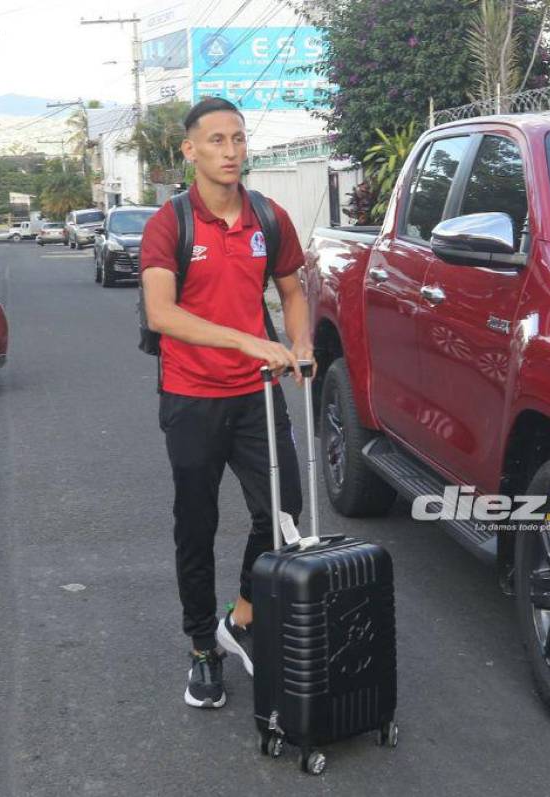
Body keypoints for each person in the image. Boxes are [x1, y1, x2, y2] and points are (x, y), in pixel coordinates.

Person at [139, 96, 312, 709]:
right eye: (216, 140)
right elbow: (161, 314)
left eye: (238, 139)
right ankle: (200, 650)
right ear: (190, 151)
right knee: (198, 522)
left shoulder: (269, 216)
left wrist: (302, 342)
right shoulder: (170, 224)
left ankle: (239, 619)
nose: (232, 151)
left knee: (284, 511)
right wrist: (248, 339)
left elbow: (293, 289)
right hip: (190, 397)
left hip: (255, 396)